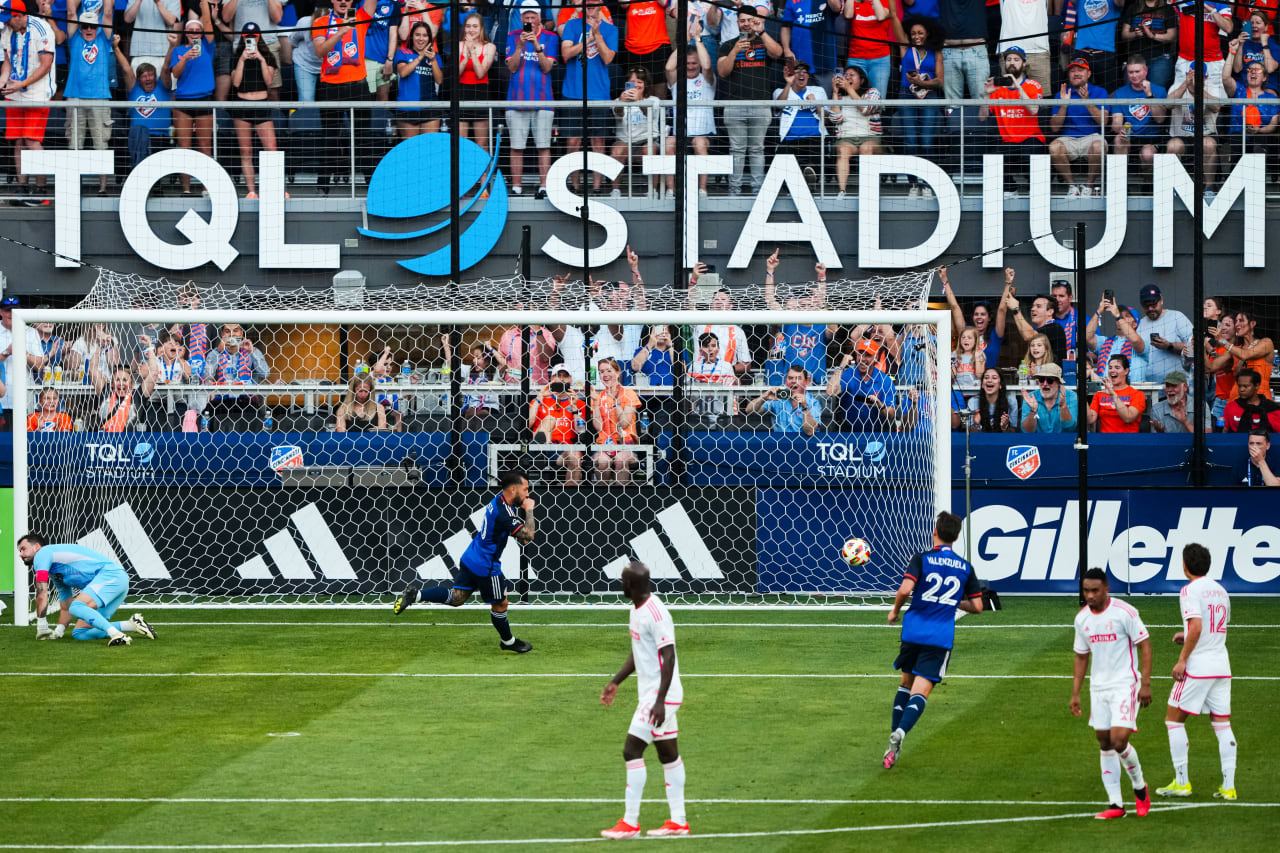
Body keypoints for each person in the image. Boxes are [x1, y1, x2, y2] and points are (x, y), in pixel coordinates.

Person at [393, 469, 535, 654]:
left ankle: (416, 595)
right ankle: (508, 641)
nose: (528, 493)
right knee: (501, 604)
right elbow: (527, 537)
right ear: (514, 489)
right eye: (525, 489)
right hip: (486, 566)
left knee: (457, 598)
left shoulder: (498, 500)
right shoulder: (504, 514)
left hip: (471, 557)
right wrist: (529, 509)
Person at [883, 511, 984, 769]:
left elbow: (906, 589)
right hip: (939, 636)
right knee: (922, 690)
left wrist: (894, 611)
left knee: (906, 683)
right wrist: (952, 601)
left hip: (913, 630)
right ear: (958, 537)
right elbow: (977, 606)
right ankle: (902, 733)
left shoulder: (922, 558)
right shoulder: (965, 567)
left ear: (934, 533)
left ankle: (892, 744)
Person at [599, 561, 689, 839]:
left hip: (660, 696)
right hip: (654, 693)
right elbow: (638, 652)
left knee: (631, 750)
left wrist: (660, 701)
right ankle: (679, 822)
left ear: (634, 585)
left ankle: (630, 823)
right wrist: (616, 681)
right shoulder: (635, 610)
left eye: (624, 582)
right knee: (667, 754)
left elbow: (669, 656)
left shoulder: (656, 614)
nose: (621, 586)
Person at [1156, 543, 1238, 799]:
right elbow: (1215, 627)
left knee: (1173, 719)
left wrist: (1182, 659)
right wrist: (1187, 634)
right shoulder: (1221, 590)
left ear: (1184, 565)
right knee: (1222, 725)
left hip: (1199, 667)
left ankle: (1182, 783)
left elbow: (1199, 626)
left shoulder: (1189, 590)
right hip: (1221, 666)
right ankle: (1229, 786)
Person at [1071, 567, 1153, 819]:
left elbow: (1145, 646)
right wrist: (1075, 693)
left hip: (1125, 685)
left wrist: (1146, 683)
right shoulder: (1082, 619)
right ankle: (1116, 804)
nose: (1090, 595)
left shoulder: (1124, 612)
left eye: (1095, 590)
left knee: (1119, 740)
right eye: (1086, 591)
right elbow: (1081, 656)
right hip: (1099, 688)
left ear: (1106, 589)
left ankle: (1140, 788)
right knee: (1104, 742)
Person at [21, 533, 158, 645]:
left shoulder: (43, 553)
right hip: (116, 582)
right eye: (19, 551)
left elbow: (41, 592)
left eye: (23, 548)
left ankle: (116, 635)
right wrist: (59, 631)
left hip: (111, 575)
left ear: (37, 547)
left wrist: (42, 625)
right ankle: (131, 625)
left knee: (77, 606)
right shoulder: (56, 571)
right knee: (80, 634)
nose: (21, 554)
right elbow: (65, 604)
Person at [716, 5, 782, 196]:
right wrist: (735, 51)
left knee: (757, 149)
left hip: (760, 105)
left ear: (756, 21)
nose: (746, 24)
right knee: (736, 150)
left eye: (750, 20)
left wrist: (761, 31)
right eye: (742, 20)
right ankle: (734, 191)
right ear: (737, 22)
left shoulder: (763, 41)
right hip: (734, 105)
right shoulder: (728, 45)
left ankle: (757, 191)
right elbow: (722, 72)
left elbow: (778, 53)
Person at [312, 0, 372, 191]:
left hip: (358, 87)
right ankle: (323, 186)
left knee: (363, 137)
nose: (343, 1)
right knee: (329, 137)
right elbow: (320, 51)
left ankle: (371, 185)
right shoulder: (321, 22)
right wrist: (341, 31)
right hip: (331, 87)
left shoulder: (361, 17)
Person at [0, 0, 56, 205]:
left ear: (18, 16)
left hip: (37, 93)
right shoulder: (8, 30)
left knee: (32, 140)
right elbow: (7, 62)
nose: (5, 24)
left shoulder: (42, 29)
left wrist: (21, 83)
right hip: (14, 92)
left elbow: (46, 65)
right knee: (18, 141)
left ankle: (41, 190)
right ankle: (22, 187)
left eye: (8, 20)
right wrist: (2, 82)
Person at [560, 0, 616, 194]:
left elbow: (608, 58)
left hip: (598, 93)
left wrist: (597, 35)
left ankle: (597, 186)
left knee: (598, 141)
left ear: (601, 4)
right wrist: (587, 41)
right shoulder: (572, 25)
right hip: (573, 92)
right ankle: (574, 186)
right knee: (573, 141)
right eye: (587, 2)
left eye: (594, 2)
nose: (590, 4)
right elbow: (566, 53)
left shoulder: (610, 29)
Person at [504, 0, 558, 198]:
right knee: (516, 146)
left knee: (543, 146)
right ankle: (516, 187)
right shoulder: (512, 36)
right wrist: (520, 45)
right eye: (525, 17)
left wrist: (536, 45)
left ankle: (544, 186)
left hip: (543, 100)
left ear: (539, 18)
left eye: (532, 17)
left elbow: (547, 67)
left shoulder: (551, 38)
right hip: (516, 100)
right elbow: (512, 67)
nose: (529, 21)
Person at [63, 11, 113, 196]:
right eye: (85, 26)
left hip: (99, 97)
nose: (89, 29)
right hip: (74, 96)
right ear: (80, 27)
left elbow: (107, 12)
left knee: (101, 143)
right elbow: (70, 11)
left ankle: (102, 188)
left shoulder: (104, 38)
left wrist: (104, 15)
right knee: (75, 144)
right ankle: (74, 187)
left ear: (98, 27)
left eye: (93, 26)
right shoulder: (74, 38)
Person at [764, 253, 836, 381]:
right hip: (791, 384)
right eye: (802, 305)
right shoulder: (789, 323)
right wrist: (770, 270)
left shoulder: (822, 325)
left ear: (816, 308)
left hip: (816, 387)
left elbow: (834, 328)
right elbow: (770, 300)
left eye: (810, 305)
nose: (806, 308)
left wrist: (822, 277)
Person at [230, 22, 279, 199]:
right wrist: (243, 60)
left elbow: (268, 81)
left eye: (254, 36)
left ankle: (275, 188)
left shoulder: (268, 56)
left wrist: (260, 58)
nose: (251, 39)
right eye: (247, 37)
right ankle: (252, 191)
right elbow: (236, 83)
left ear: (259, 37)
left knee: (271, 149)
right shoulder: (236, 56)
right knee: (246, 151)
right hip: (242, 105)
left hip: (262, 105)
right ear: (243, 38)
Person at [664, 28, 716, 196]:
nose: (691, 66)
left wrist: (697, 38)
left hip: (704, 133)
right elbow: (668, 67)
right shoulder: (677, 80)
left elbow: (707, 65)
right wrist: (684, 43)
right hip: (681, 132)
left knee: (699, 143)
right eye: (687, 63)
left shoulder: (707, 80)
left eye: (694, 63)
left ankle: (702, 189)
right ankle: (670, 190)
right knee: (668, 143)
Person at [170, 14, 218, 197]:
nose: (195, 34)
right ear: (186, 33)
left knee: (205, 144)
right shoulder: (179, 50)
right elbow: (175, 73)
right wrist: (185, 57)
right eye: (191, 31)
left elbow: (208, 22)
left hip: (204, 98)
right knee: (184, 146)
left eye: (198, 31)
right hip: (183, 101)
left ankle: (206, 186)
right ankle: (187, 188)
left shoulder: (207, 46)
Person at [1049, 56, 1108, 198]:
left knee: (1099, 146)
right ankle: (1073, 186)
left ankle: (1089, 187)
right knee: (1054, 147)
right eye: (1072, 71)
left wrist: (1087, 101)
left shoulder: (1100, 92)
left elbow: (1104, 121)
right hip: (1069, 139)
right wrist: (1064, 104)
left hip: (1092, 138)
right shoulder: (1061, 94)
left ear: (1088, 74)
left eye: (1081, 70)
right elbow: (1054, 128)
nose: (1076, 73)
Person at [899, 17, 944, 198]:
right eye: (913, 34)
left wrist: (923, 83)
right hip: (906, 93)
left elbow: (940, 81)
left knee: (926, 139)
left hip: (930, 94)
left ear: (927, 35)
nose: (916, 36)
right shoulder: (905, 48)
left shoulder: (936, 52)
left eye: (920, 33)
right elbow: (894, 17)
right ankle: (913, 183)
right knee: (910, 140)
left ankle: (927, 182)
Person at [114, 37, 174, 168]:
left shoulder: (162, 87)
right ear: (139, 79)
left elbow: (165, 67)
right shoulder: (134, 89)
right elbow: (126, 69)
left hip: (160, 137)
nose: (148, 79)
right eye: (144, 76)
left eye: (151, 75)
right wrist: (116, 48)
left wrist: (172, 46)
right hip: (138, 138)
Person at [609, 66, 667, 197]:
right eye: (632, 82)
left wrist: (640, 101)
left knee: (650, 149)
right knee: (617, 150)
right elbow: (618, 114)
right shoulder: (619, 100)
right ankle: (616, 190)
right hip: (625, 142)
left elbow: (649, 114)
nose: (635, 85)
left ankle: (652, 190)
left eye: (639, 82)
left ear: (645, 84)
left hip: (646, 142)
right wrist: (622, 103)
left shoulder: (653, 100)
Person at [827, 64, 883, 199]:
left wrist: (849, 89)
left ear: (862, 79)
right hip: (847, 138)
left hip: (870, 137)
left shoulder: (872, 92)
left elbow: (866, 109)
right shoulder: (840, 98)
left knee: (866, 148)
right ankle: (842, 191)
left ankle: (868, 191)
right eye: (845, 75)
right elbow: (835, 119)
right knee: (843, 151)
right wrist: (835, 92)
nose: (847, 78)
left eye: (851, 75)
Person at [1110, 57, 1170, 176]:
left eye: (1137, 71)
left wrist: (1149, 95)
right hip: (1130, 135)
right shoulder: (1120, 93)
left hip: (1152, 137)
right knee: (1118, 139)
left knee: (1147, 154)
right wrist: (1120, 129)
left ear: (1146, 71)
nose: (1134, 75)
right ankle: (1120, 184)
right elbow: (1116, 122)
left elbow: (1160, 119)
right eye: (1130, 72)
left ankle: (1147, 184)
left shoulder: (1159, 91)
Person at [772, 61, 827, 186]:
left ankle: (809, 181)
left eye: (804, 71)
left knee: (812, 166)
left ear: (808, 75)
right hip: (789, 139)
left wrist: (816, 103)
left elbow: (827, 119)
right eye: (797, 71)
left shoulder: (818, 91)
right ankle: (804, 184)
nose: (801, 74)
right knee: (782, 175)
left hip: (814, 138)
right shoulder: (780, 91)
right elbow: (778, 106)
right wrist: (788, 83)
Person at [827, 338, 896, 431]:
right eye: (860, 354)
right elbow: (830, 392)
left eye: (868, 355)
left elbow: (891, 415)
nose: (863, 359)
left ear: (876, 357)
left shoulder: (885, 380)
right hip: (849, 434)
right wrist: (841, 366)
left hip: (876, 434)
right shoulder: (848, 374)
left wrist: (880, 405)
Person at [530, 372, 587, 484]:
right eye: (557, 376)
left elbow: (581, 431)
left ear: (571, 380)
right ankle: (541, 453)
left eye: (565, 376)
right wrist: (539, 397)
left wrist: (574, 408)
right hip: (542, 445)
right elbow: (528, 423)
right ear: (551, 379)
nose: (561, 379)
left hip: (563, 450)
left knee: (575, 457)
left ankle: (569, 498)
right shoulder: (541, 400)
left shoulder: (579, 403)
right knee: (550, 419)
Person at [592, 357, 641, 482]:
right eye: (601, 372)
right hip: (603, 445)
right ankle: (603, 499)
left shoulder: (629, 394)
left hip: (626, 445)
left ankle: (621, 498)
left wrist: (615, 402)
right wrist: (596, 402)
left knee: (620, 460)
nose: (605, 375)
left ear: (618, 372)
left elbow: (624, 423)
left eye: (608, 371)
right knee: (602, 463)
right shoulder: (598, 397)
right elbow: (598, 427)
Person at [1133, 283, 1193, 384]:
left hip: (1175, 385)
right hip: (1148, 386)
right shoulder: (1141, 324)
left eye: (1153, 305)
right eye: (1146, 306)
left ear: (1161, 300)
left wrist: (1169, 346)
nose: (1150, 309)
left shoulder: (1177, 317)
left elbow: (1194, 349)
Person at [394, 21, 443, 136]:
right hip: (407, 108)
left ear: (429, 39)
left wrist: (433, 60)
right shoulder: (402, 53)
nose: (421, 38)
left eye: (425, 35)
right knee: (411, 150)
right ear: (412, 37)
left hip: (430, 108)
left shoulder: (436, 57)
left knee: (429, 149)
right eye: (417, 35)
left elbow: (439, 80)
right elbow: (403, 72)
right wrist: (421, 56)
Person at [455, 12, 495, 152]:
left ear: (481, 28)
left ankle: (484, 175)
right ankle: (462, 174)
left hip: (480, 93)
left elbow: (480, 73)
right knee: (462, 142)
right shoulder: (458, 45)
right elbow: (455, 74)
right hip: (461, 92)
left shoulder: (489, 47)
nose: (471, 30)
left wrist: (472, 52)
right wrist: (465, 57)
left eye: (475, 26)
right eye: (468, 26)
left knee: (481, 143)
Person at [743, 364, 821, 435]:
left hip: (805, 446)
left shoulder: (813, 403)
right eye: (790, 378)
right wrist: (764, 397)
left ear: (806, 382)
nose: (793, 381)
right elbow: (749, 410)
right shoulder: (778, 398)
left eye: (798, 378)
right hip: (780, 445)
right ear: (785, 381)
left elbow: (810, 432)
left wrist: (805, 407)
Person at [1119, 0, 1177, 90]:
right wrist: (1135, 34)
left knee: (1156, 94)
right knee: (1132, 94)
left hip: (1159, 58)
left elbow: (1172, 36)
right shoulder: (1134, 7)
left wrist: (1152, 35)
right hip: (1136, 59)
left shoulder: (1167, 9)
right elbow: (1124, 34)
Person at [620, 0, 670, 99]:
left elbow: (663, 3)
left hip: (657, 48)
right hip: (633, 49)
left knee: (659, 91)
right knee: (633, 88)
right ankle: (636, 114)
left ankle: (657, 114)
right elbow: (623, 3)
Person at [843, 0, 893, 96]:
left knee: (878, 97)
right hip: (856, 57)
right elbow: (848, 15)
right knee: (853, 94)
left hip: (880, 58)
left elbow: (881, 16)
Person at [1221, 308, 1275, 398]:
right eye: (1236, 321)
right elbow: (1211, 367)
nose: (1237, 324)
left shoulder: (1266, 343)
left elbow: (1245, 355)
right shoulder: (1235, 349)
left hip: (1260, 403)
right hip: (1236, 402)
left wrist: (1222, 341)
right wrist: (1204, 345)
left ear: (1252, 324)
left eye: (1241, 320)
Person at [1089, 353, 1146, 433]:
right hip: (1106, 441)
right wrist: (1082, 395)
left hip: (1129, 440)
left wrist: (1113, 395)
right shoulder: (1100, 394)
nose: (1112, 370)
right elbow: (1090, 419)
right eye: (1110, 368)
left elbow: (1128, 418)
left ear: (1126, 371)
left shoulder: (1137, 394)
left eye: (1117, 367)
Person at [1019, 362, 1077, 433]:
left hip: (1064, 441)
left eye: (1050, 380)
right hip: (1037, 441)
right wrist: (1033, 410)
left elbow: (1070, 428)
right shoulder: (1031, 397)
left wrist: (1063, 407)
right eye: (1041, 380)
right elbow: (1027, 431)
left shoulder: (1071, 396)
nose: (1045, 384)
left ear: (1058, 382)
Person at [1223, 368, 1280, 433]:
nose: (1241, 389)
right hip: (1236, 442)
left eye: (1246, 386)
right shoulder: (1231, 407)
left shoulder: (1273, 409)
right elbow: (1224, 434)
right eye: (1239, 386)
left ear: (1256, 386)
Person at [964, 367, 1015, 432]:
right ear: (982, 384)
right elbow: (971, 433)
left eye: (994, 378)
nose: (989, 380)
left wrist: (1004, 427)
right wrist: (976, 424)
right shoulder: (973, 402)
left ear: (1000, 385)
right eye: (986, 378)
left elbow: (1013, 432)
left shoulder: (1011, 401)